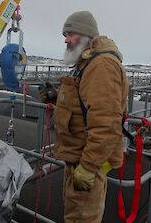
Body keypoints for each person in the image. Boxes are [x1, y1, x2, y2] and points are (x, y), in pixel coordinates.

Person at [39, 11, 129, 223]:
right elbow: (83, 106)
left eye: (71, 34)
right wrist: (56, 98)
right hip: (78, 161)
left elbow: (106, 125)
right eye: (65, 34)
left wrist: (87, 168)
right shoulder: (87, 63)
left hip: (86, 164)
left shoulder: (101, 66)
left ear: (87, 36)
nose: (66, 39)